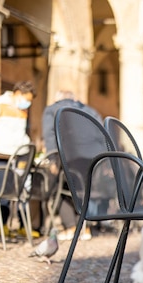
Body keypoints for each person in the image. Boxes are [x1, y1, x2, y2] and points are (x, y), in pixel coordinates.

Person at [42, 90, 102, 241]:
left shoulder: (52, 109)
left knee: (60, 188)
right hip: (92, 157)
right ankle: (85, 228)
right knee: (84, 189)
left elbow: (50, 134)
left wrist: (53, 158)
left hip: (67, 155)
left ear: (58, 98)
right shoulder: (89, 111)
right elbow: (102, 133)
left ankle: (71, 227)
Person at [0, 80, 37, 237]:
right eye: (27, 99)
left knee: (22, 190)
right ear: (18, 93)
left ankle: (22, 225)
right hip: (0, 154)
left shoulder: (22, 110)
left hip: (20, 155)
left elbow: (20, 133)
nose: (28, 104)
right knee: (4, 190)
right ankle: (2, 226)